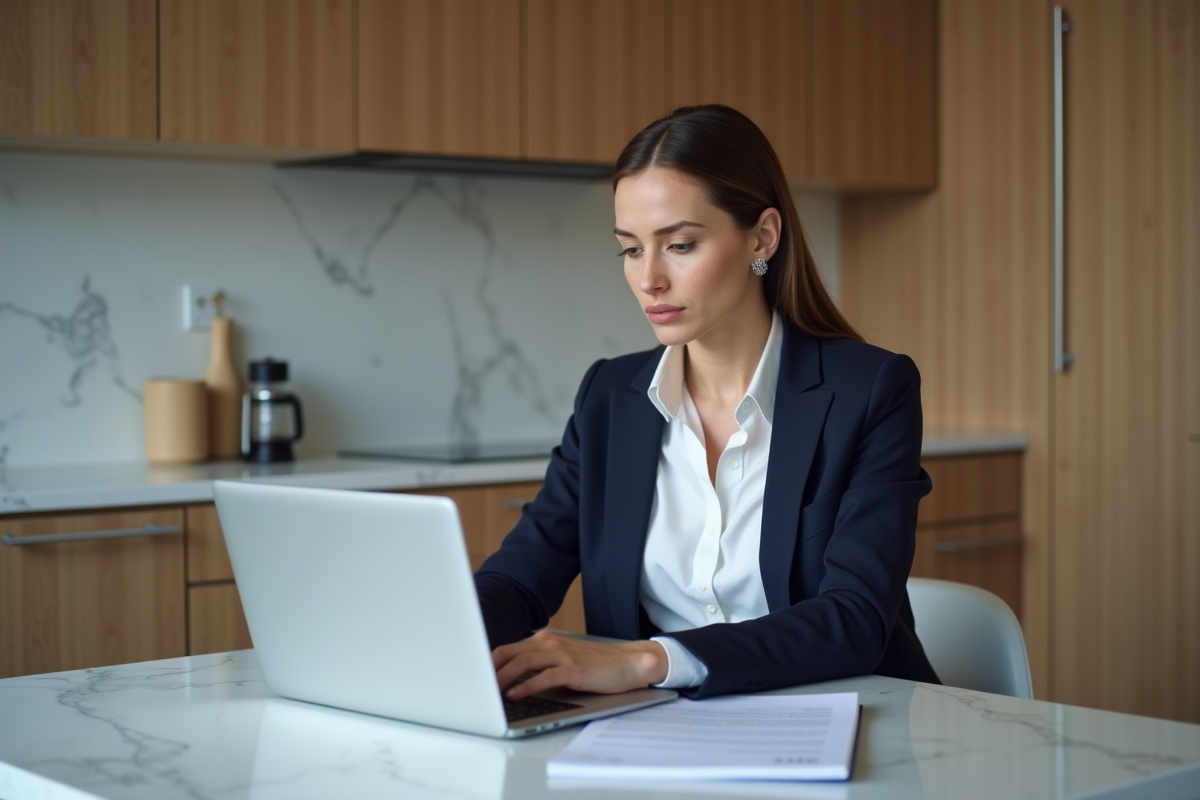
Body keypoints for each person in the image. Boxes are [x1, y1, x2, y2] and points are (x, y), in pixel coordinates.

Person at [475, 104, 939, 701]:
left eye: (681, 244)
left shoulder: (870, 391)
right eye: (631, 250)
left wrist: (651, 660)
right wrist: (441, 639)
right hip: (658, 733)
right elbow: (520, 578)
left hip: (844, 719)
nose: (649, 280)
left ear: (762, 237)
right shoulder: (609, 398)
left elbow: (854, 618)